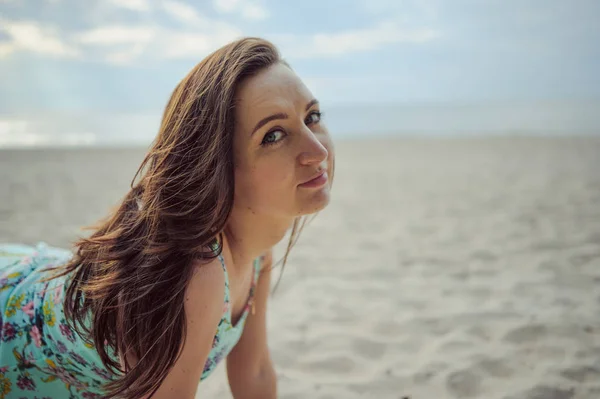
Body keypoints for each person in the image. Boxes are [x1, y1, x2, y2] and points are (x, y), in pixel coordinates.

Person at [0, 37, 334, 399]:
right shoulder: (199, 270)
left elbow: (253, 373)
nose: (316, 151)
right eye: (274, 135)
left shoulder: (258, 252)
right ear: (218, 166)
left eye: (312, 117)